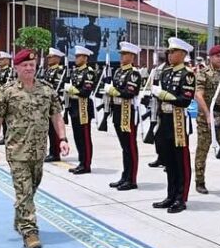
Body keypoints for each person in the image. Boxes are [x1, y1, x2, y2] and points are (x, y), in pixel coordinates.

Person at [0, 49, 69, 248]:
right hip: (17, 151)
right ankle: (29, 231)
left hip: (39, 150)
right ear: (16, 67)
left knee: (31, 189)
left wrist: (63, 139)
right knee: (24, 192)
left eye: (32, 65)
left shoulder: (47, 90)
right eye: (25, 65)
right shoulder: (7, 91)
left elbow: (57, 116)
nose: (29, 68)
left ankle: (20, 216)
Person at [150, 38, 196, 213]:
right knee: (168, 160)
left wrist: (164, 94)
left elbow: (184, 100)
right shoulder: (165, 72)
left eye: (173, 51)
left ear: (183, 54)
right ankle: (170, 195)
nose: (169, 54)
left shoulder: (187, 74)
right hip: (165, 119)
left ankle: (181, 198)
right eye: (168, 52)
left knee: (180, 161)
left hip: (178, 121)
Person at [193, 45, 220, 195]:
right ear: (210, 58)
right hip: (206, 118)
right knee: (202, 150)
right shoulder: (204, 73)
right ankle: (200, 182)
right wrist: (207, 115)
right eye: (218, 56)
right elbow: (198, 95)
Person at [104, 42, 143, 190]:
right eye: (121, 54)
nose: (122, 56)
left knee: (130, 146)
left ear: (132, 56)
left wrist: (113, 91)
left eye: (125, 54)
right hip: (118, 111)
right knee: (124, 147)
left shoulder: (133, 73)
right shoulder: (118, 72)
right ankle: (125, 176)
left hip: (128, 112)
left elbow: (129, 92)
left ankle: (131, 179)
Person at [65, 46, 96, 174]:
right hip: (74, 107)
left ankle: (86, 164)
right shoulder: (75, 71)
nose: (76, 59)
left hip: (83, 107)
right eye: (76, 56)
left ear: (85, 58)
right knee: (77, 136)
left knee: (85, 137)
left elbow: (86, 91)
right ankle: (81, 162)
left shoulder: (89, 72)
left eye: (78, 56)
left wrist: (73, 90)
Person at [42, 47, 67, 162]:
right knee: (49, 129)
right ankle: (52, 151)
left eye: (51, 57)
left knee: (54, 128)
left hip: (54, 102)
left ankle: (56, 152)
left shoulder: (59, 71)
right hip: (46, 102)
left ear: (57, 58)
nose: (49, 59)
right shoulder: (48, 70)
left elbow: (57, 87)